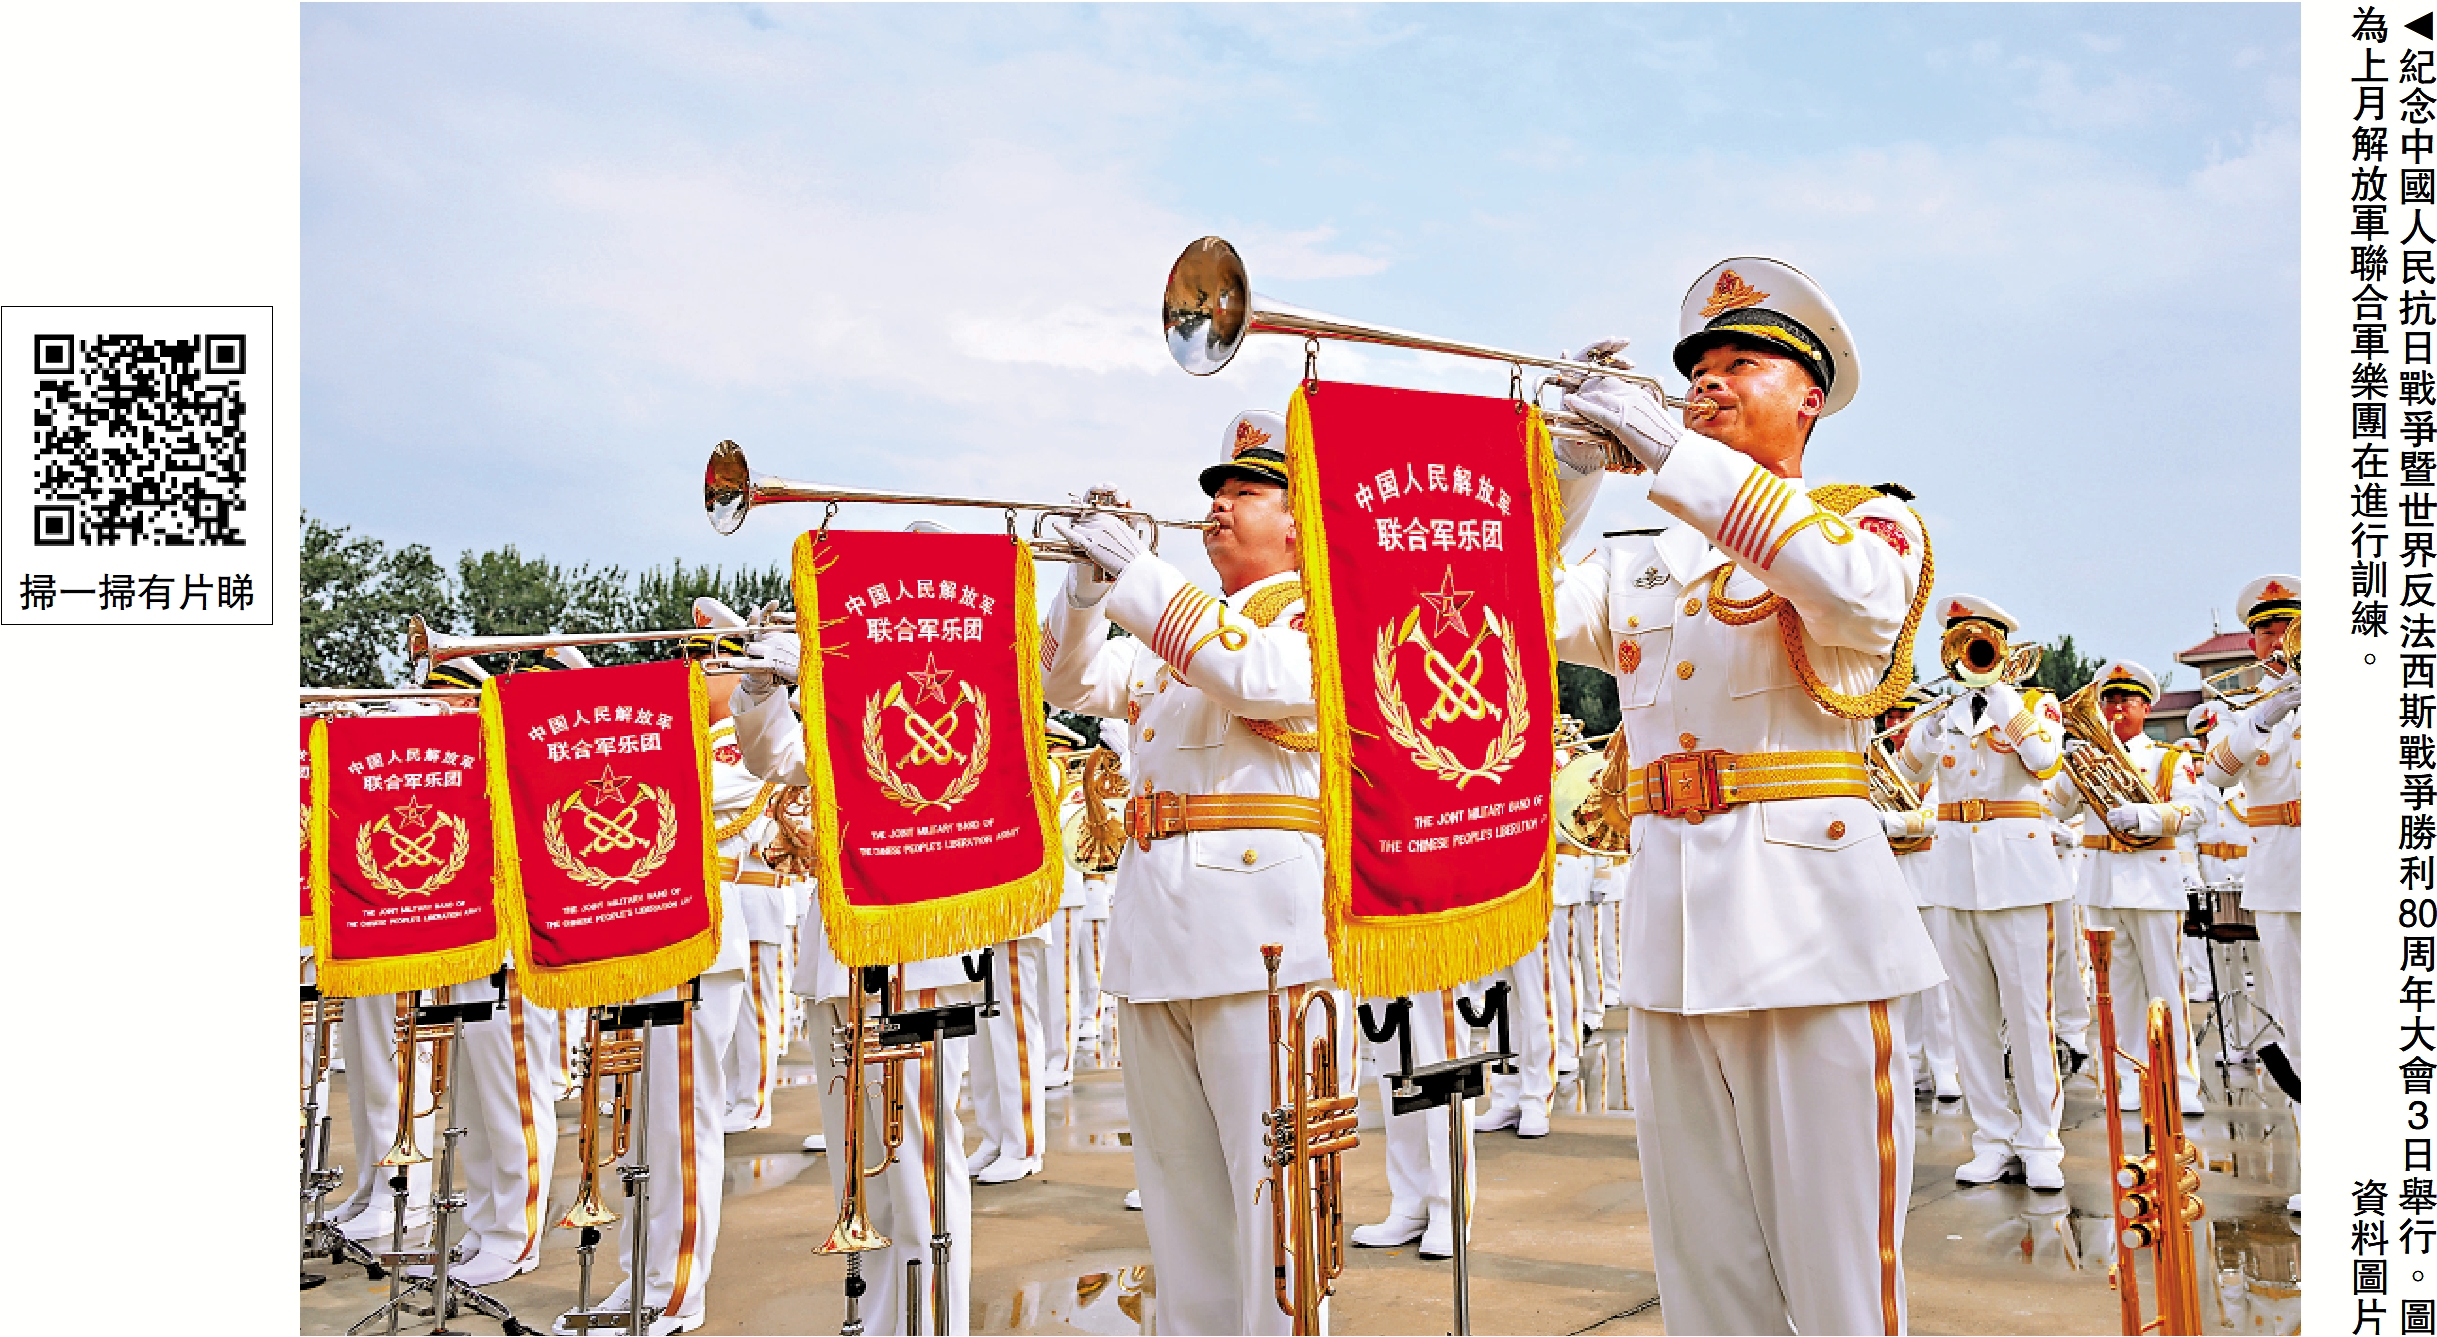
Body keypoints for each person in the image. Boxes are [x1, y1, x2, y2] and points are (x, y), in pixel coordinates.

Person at [1550, 256, 1944, 1333]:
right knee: (1703, 1267)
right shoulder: (1643, 562)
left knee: (1836, 1277)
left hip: (1811, 937)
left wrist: (1669, 451)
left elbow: (1848, 590)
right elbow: (1504, 604)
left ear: (1807, 397)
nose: (1709, 382)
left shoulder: (1869, 524)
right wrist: (1566, 474)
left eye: (1739, 364)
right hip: (1675, 935)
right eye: (1697, 370)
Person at [1036, 409, 1334, 1335]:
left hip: (1265, 944)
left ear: (1299, 521)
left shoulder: (1325, 612)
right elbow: (1067, 683)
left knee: (1274, 1204)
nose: (1219, 508)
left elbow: (1255, 677)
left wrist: (1136, 573)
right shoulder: (1180, 625)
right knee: (1178, 1196)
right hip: (1158, 932)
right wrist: (1086, 591)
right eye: (1214, 492)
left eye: (1246, 491)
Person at [725, 628, 986, 1334]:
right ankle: (879, 1316)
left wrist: (816, 676)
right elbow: (776, 757)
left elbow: (923, 762)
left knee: (920, 1159)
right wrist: (762, 686)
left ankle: (932, 1321)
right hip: (841, 941)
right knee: (861, 1162)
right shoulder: (851, 682)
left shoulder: (961, 682)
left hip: (916, 942)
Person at [548, 646, 742, 1337]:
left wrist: (585, 711)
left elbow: (681, 791)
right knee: (637, 1134)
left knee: (679, 1133)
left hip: (696, 947)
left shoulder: (737, 741)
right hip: (639, 939)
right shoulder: (675, 738)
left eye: (709, 665)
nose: (694, 676)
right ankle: (640, 1274)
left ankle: (677, 1293)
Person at [1890, 596, 2074, 1192]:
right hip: (1954, 877)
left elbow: (2045, 760)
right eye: (1959, 641)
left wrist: (2003, 700)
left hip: (2018, 876)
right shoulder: (1943, 708)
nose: (1968, 653)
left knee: (2028, 1016)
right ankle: (1991, 1137)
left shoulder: (2033, 704)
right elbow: (1909, 774)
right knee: (1970, 1018)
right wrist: (1933, 723)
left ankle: (2041, 1140)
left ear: (1999, 643)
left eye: (1978, 642)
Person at [2046, 660, 2207, 1118]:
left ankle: (2181, 1082)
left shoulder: (2166, 758)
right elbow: (2057, 806)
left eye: (2126, 700)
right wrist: (2068, 765)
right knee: (2115, 992)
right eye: (2109, 699)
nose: (2116, 708)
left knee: (2165, 986)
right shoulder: (2089, 755)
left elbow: (2195, 813)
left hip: (2153, 882)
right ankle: (2129, 1079)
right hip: (2100, 884)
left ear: (2146, 706)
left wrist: (2146, 816)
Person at [2199, 576, 2301, 1215]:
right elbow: (2216, 769)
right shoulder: (2249, 708)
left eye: (2285, 624)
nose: (2275, 638)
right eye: (2264, 629)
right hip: (2279, 874)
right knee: (2299, 1025)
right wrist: (2266, 714)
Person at [1877, 684, 1961, 1104]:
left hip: (1931, 874)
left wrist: (1894, 824)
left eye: (1904, 717)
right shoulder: (1874, 763)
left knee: (1938, 982)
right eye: (1891, 717)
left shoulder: (1939, 761)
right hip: (1890, 879)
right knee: (1902, 980)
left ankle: (1946, 1066)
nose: (1897, 726)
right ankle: (1910, 1063)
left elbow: (1939, 814)